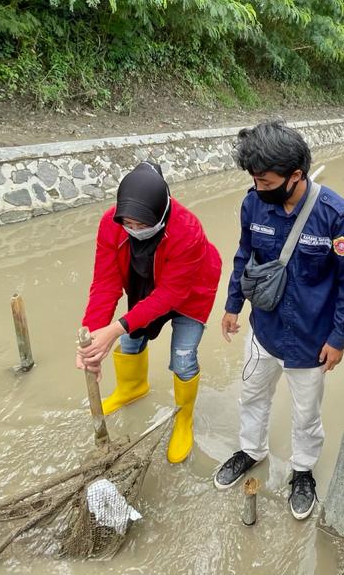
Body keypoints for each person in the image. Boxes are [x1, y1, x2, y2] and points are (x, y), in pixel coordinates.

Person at [214, 121, 344, 521]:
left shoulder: (336, 216)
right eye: (254, 180)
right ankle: (251, 450)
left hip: (312, 341)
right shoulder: (253, 205)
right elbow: (245, 258)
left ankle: (302, 470)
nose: (259, 187)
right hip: (264, 332)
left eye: (265, 180)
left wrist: (339, 337)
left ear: (296, 175)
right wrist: (232, 306)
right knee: (252, 396)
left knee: (306, 413)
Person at [76, 162, 222, 464]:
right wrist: (91, 338)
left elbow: (171, 294)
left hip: (191, 292)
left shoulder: (188, 229)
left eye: (143, 226)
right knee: (130, 341)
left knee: (183, 356)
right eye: (128, 224)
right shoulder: (111, 223)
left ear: (162, 213)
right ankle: (132, 387)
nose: (134, 230)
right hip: (144, 281)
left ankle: (184, 417)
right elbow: (105, 283)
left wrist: (115, 329)